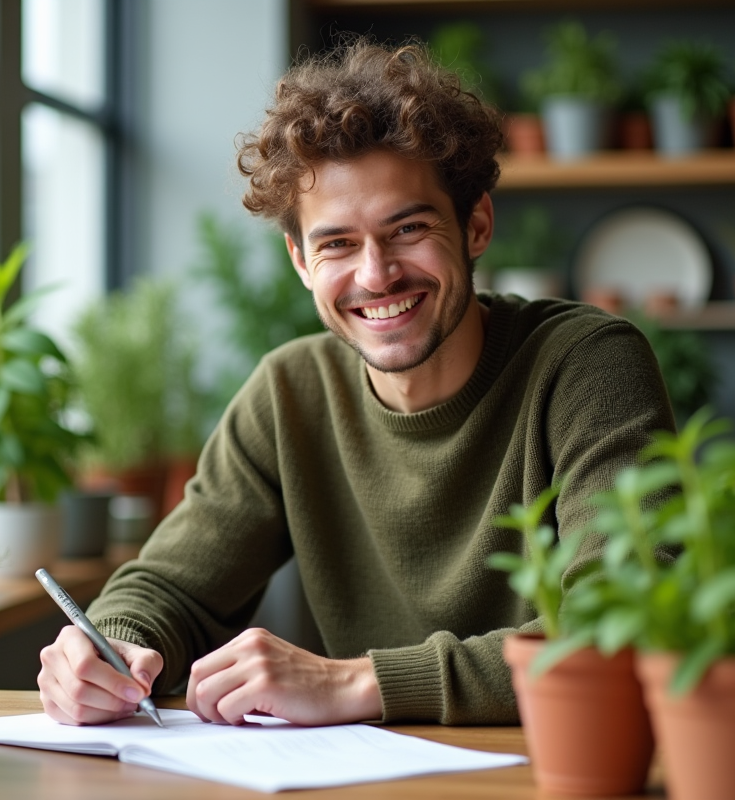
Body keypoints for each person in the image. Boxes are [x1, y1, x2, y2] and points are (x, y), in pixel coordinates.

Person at [37, 39, 674, 727]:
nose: (377, 275)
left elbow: (623, 625)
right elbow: (172, 586)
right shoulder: (290, 392)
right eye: (338, 243)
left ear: (477, 225)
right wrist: (108, 648)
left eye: (408, 229)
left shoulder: (586, 364)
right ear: (301, 260)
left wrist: (355, 683)